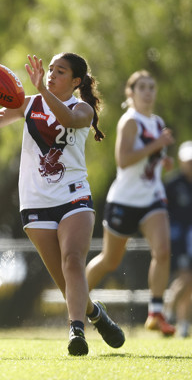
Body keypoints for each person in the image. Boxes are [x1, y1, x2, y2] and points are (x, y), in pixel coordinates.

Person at [0, 53, 125, 355]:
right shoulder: (29, 104)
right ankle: (95, 314)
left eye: (59, 72)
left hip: (73, 195)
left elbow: (66, 119)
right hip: (35, 202)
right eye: (49, 70)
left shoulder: (82, 108)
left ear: (76, 81)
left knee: (72, 261)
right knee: (65, 280)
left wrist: (43, 90)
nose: (50, 75)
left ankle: (76, 331)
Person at [85, 70, 176, 336]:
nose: (148, 92)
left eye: (151, 87)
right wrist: (157, 146)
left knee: (162, 250)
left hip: (151, 198)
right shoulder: (130, 121)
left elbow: (149, 159)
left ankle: (156, 313)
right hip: (124, 200)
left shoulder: (157, 122)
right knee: (110, 261)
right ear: (131, 93)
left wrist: (162, 160)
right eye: (143, 87)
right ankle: (77, 301)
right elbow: (123, 160)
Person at [164, 141, 192, 337]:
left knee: (189, 282)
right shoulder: (173, 184)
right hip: (180, 240)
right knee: (185, 278)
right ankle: (167, 312)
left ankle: (182, 325)